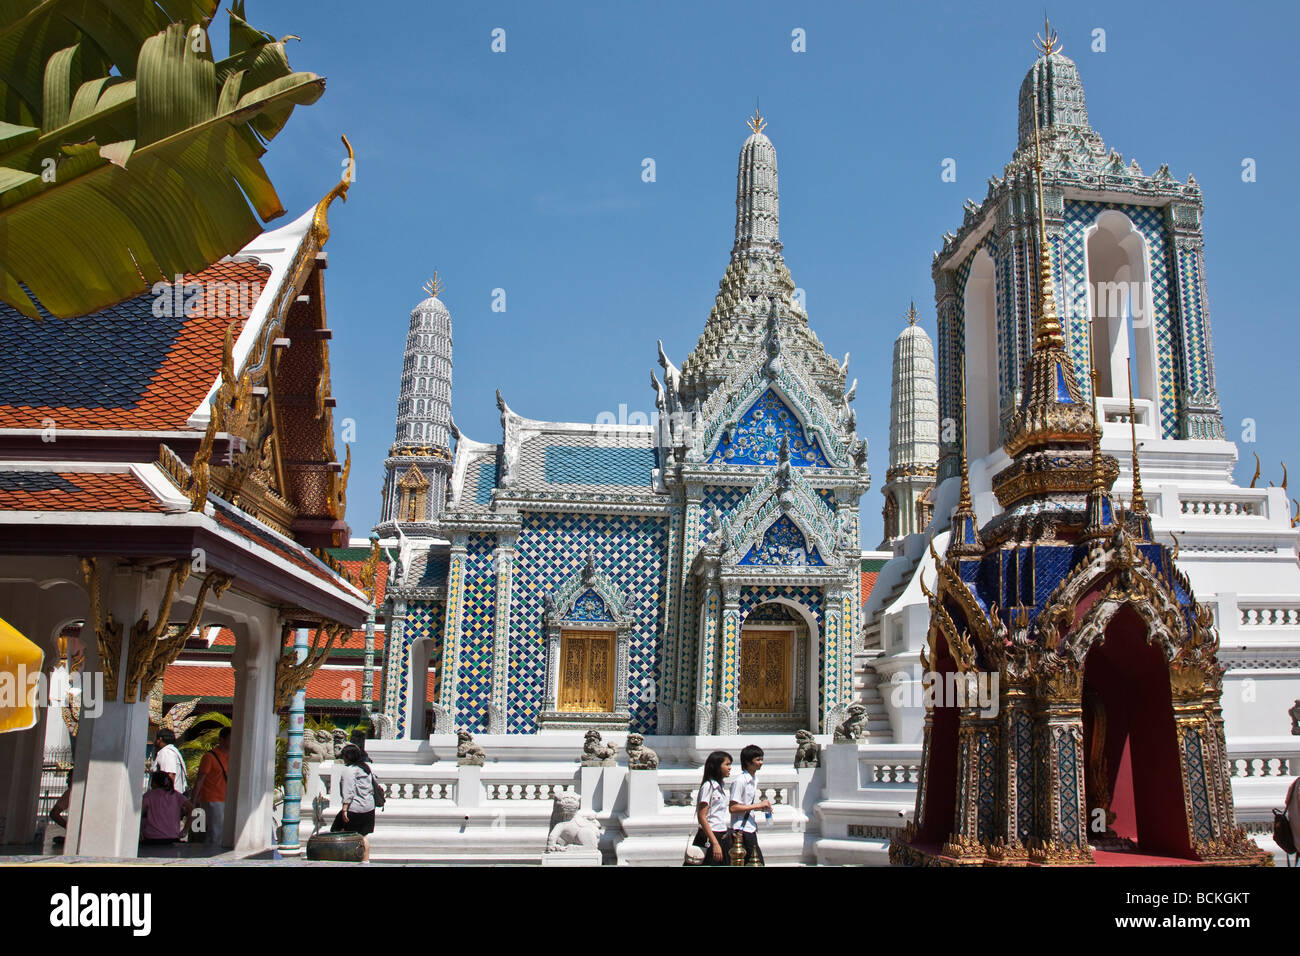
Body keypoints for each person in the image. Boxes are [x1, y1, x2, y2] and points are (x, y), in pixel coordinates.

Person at [331, 742, 376, 862]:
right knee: (362, 836)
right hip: (369, 807)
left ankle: (345, 859)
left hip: (354, 808)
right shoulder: (365, 768)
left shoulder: (350, 770)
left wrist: (344, 809)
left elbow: (348, 791)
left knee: (338, 831)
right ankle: (365, 861)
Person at [729, 744, 772, 865]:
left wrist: (761, 807)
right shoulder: (740, 781)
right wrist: (758, 805)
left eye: (761, 759)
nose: (761, 762)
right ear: (748, 762)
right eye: (757, 760)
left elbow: (746, 806)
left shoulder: (754, 780)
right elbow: (733, 808)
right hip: (741, 829)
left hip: (750, 827)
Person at [691, 750, 733, 866]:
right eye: (727, 764)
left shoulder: (720, 787)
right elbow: (702, 817)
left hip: (722, 835)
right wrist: (715, 843)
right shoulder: (708, 787)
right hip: (709, 837)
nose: (729, 768)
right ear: (716, 766)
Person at [190, 726, 230, 844]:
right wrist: (193, 799)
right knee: (215, 832)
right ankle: (212, 856)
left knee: (221, 832)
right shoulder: (210, 757)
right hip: (212, 798)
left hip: (226, 798)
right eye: (230, 739)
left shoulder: (233, 757)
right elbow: (200, 779)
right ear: (221, 739)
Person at [140, 770, 194, 845]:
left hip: (151, 838)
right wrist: (185, 829)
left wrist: (139, 830)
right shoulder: (176, 795)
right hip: (173, 838)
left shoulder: (149, 795)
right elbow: (192, 809)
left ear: (154, 783)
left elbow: (139, 813)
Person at [153, 728, 186, 794]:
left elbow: (170, 776)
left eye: (156, 739)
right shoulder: (172, 751)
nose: (154, 742)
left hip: (167, 798)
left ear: (160, 739)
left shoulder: (167, 752)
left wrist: (166, 797)